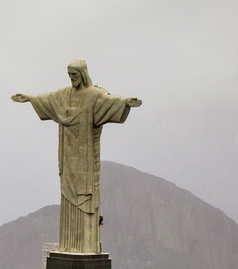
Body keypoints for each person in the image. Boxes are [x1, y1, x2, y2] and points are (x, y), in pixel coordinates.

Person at [12, 60, 141, 253]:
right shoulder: (64, 95)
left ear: (83, 74)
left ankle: (86, 246)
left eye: (75, 75)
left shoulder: (93, 96)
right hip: (68, 157)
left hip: (85, 159)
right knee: (68, 198)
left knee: (86, 199)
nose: (72, 79)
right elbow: (48, 99)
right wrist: (30, 98)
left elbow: (110, 101)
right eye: (69, 75)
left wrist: (126, 102)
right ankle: (69, 245)